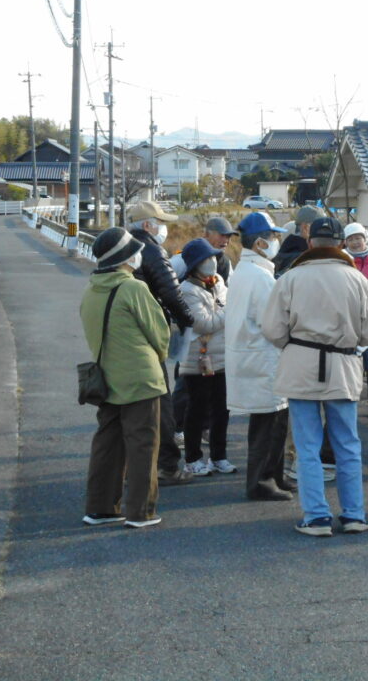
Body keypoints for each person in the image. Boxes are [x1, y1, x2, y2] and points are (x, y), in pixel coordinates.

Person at [262, 216, 368, 537]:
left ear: (310, 242)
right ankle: (354, 514)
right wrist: (350, 341)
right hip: (343, 366)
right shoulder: (356, 279)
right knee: (347, 444)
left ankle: (316, 517)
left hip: (300, 363)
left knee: (307, 445)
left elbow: (272, 329)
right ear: (341, 243)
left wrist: (295, 344)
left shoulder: (290, 278)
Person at [80, 227, 169, 528]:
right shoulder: (133, 288)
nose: (140, 255)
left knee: (107, 445)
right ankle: (140, 511)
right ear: (127, 258)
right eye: (136, 251)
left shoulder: (91, 290)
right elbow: (159, 332)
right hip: (141, 379)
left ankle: (101, 508)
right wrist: (161, 356)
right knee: (143, 444)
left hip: (107, 379)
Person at [225, 212, 294, 501]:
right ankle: (262, 481)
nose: (276, 240)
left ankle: (274, 476)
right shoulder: (259, 276)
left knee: (272, 423)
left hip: (255, 355)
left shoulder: (247, 271)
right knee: (268, 426)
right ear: (260, 244)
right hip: (264, 356)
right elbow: (273, 322)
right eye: (273, 236)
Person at [126, 201, 195, 486]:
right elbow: (171, 292)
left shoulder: (124, 249)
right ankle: (167, 465)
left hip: (123, 336)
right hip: (148, 334)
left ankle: (134, 465)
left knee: (131, 406)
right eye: (160, 222)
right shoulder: (152, 250)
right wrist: (187, 320)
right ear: (147, 225)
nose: (164, 228)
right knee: (161, 402)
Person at [178, 237, 235, 477]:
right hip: (196, 360)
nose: (213, 262)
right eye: (206, 258)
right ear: (195, 264)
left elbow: (220, 310)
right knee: (197, 409)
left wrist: (223, 312)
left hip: (221, 357)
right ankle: (192, 458)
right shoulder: (187, 290)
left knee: (222, 409)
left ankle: (218, 457)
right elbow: (203, 323)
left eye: (213, 257)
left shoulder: (218, 281)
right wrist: (229, 312)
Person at [344, 222, 368, 418]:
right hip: (349, 320)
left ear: (365, 238)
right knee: (351, 364)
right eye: (350, 239)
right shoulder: (343, 260)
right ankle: (350, 399)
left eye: (358, 238)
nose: (355, 242)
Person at [171, 216, 237, 282]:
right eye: (222, 235)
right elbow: (162, 278)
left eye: (228, 236)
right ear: (206, 234)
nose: (226, 241)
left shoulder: (225, 263)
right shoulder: (185, 259)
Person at [273, 205, 325, 276]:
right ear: (305, 228)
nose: (326, 232)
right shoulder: (302, 259)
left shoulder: (286, 252)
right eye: (322, 227)